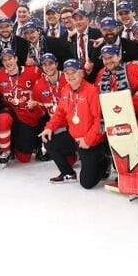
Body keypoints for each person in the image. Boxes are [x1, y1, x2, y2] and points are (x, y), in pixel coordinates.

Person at [39, 59, 109, 188]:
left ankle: (103, 162)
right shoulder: (66, 89)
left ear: (81, 73)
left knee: (87, 183)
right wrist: (49, 127)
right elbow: (60, 113)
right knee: (48, 141)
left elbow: (99, 120)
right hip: (74, 136)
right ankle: (68, 173)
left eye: (73, 72)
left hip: (90, 141)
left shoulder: (92, 91)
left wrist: (88, 140)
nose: (70, 76)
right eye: (67, 72)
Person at [0, 48, 50, 165]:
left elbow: (46, 85)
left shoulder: (33, 71)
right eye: (5, 60)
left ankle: (25, 146)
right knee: (3, 119)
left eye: (10, 59)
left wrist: (37, 103)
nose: (8, 62)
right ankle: (5, 149)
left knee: (24, 158)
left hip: (27, 115)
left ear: (16, 59)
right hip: (10, 112)